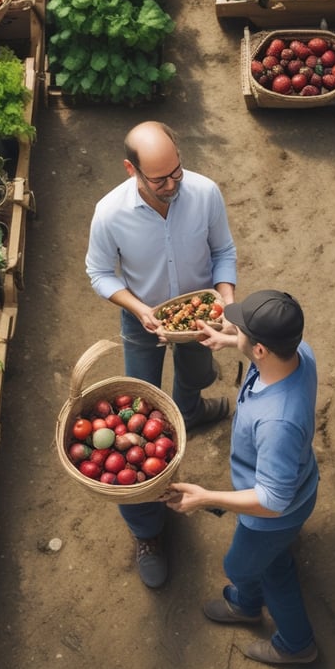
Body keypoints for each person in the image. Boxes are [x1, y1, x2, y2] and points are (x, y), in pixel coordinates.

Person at [85, 120, 237, 589]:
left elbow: (223, 252)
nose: (173, 185)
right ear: (131, 169)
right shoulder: (110, 213)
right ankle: (148, 530)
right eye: (160, 179)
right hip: (143, 322)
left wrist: (227, 304)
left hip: (197, 318)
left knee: (196, 373)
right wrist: (139, 309)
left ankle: (189, 409)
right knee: (143, 409)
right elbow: (98, 273)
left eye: (177, 173)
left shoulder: (204, 192)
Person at [162, 290, 320, 665]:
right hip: (300, 481)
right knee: (267, 561)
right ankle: (248, 603)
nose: (234, 328)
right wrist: (230, 340)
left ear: (261, 350)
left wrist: (205, 498)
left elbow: (271, 501)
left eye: (241, 330)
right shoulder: (300, 353)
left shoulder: (277, 422)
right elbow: (258, 347)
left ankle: (297, 645)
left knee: (243, 567)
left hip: (275, 512)